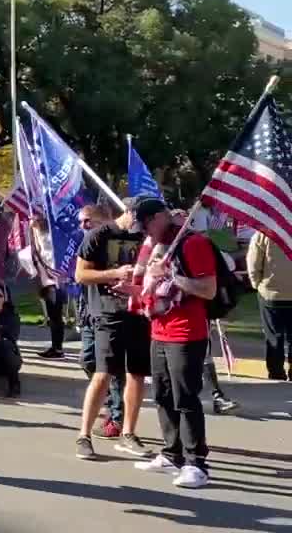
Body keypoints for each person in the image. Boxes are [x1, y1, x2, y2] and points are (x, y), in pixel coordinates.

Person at [132, 201, 217, 488]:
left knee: (186, 398)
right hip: (159, 330)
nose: (145, 232)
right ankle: (172, 454)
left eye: (146, 225)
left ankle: (197, 463)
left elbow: (208, 289)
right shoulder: (158, 248)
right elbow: (154, 290)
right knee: (163, 395)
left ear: (159, 218)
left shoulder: (192, 243)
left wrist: (171, 275)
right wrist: (133, 290)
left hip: (186, 333)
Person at [74, 198, 154, 461]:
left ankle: (128, 433)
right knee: (103, 373)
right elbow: (81, 275)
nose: (142, 227)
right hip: (108, 312)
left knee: (137, 373)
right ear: (128, 213)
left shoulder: (146, 237)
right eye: (140, 219)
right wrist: (115, 273)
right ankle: (84, 435)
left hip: (139, 312)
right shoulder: (100, 235)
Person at [76, 204, 125, 439]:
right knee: (87, 360)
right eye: (81, 222)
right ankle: (105, 401)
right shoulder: (88, 243)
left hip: (109, 313)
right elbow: (80, 278)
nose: (82, 226)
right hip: (89, 312)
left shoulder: (112, 244)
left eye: (88, 221)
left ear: (105, 220)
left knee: (111, 368)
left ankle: (116, 417)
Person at [248, 230, 292, 382]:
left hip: (271, 292)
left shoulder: (264, 233)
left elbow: (253, 262)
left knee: (274, 335)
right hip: (274, 291)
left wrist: (256, 283)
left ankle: (276, 373)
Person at [30, 213, 66, 359]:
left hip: (55, 277)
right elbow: (39, 251)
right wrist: (33, 232)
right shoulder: (39, 233)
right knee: (52, 315)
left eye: (36, 219)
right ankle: (56, 346)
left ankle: (57, 348)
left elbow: (49, 254)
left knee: (56, 315)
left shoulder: (52, 234)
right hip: (46, 277)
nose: (33, 221)